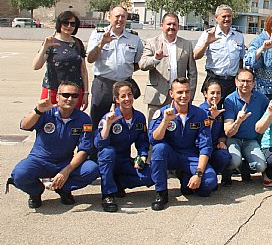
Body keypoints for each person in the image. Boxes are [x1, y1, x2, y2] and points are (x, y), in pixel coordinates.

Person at [9, 81, 99, 208]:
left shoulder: (84, 119)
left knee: (92, 169)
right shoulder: (46, 112)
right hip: (39, 160)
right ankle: (35, 192)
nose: (70, 99)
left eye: (74, 96)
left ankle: (63, 188)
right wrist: (38, 111)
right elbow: (24, 125)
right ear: (57, 97)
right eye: (66, 95)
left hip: (64, 162)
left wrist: (66, 171)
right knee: (19, 174)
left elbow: (83, 150)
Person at [149, 78, 216, 211]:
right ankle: (161, 192)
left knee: (208, 185)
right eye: (179, 92)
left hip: (190, 156)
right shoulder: (162, 113)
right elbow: (154, 139)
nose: (184, 96)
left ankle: (185, 177)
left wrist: (198, 173)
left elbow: (205, 146)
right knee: (159, 148)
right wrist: (165, 121)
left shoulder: (200, 114)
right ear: (171, 94)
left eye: (187, 92)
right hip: (170, 154)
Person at [95, 81, 153, 212]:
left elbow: (142, 140)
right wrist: (108, 125)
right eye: (123, 96)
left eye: (130, 95)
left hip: (125, 161)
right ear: (116, 99)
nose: (127, 99)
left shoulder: (139, 117)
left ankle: (118, 183)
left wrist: (143, 156)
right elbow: (99, 145)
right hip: (109, 160)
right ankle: (108, 194)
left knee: (151, 175)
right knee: (108, 152)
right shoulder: (108, 118)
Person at [87, 6, 144, 136]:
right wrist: (102, 43)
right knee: (98, 120)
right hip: (103, 84)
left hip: (124, 85)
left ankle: (120, 153)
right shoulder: (98, 34)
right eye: (117, 16)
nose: (120, 20)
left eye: (123, 17)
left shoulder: (134, 38)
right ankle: (94, 153)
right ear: (109, 17)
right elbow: (90, 59)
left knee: (123, 121)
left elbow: (138, 62)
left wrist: (124, 70)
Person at [139, 12, 198, 120]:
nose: (172, 27)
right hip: (157, 96)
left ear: (178, 26)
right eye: (169, 24)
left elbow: (192, 73)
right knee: (155, 131)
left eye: (174, 24)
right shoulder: (152, 43)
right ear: (162, 25)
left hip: (179, 97)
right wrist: (155, 59)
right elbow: (142, 65)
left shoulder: (186, 45)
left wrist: (190, 95)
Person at [32, 11, 89, 110]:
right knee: (48, 121)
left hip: (74, 93)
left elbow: (83, 70)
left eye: (72, 24)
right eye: (65, 23)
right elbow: (36, 66)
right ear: (59, 24)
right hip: (53, 90)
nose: (69, 26)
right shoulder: (51, 42)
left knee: (72, 121)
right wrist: (45, 47)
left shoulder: (78, 43)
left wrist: (86, 93)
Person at [222, 68, 270, 185]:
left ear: (254, 83)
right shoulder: (230, 100)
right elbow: (228, 132)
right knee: (234, 161)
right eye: (242, 81)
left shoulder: (261, 98)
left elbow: (271, 113)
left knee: (261, 166)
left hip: (251, 140)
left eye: (249, 81)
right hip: (234, 139)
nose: (245, 84)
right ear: (236, 82)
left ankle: (244, 168)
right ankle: (226, 174)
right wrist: (238, 121)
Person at [194, 5, 245, 101]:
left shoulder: (238, 36)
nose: (227, 19)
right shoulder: (208, 34)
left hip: (232, 83)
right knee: (213, 112)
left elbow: (241, 59)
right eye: (224, 16)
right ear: (216, 17)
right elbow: (195, 56)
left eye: (229, 16)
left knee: (230, 112)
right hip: (214, 80)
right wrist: (206, 43)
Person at [198, 80, 232, 180]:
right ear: (205, 94)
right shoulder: (200, 111)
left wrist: (221, 142)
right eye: (212, 93)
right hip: (200, 150)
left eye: (218, 93)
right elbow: (203, 134)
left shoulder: (220, 111)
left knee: (224, 156)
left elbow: (222, 133)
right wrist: (211, 118)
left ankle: (213, 172)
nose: (215, 96)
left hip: (214, 148)